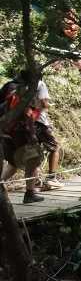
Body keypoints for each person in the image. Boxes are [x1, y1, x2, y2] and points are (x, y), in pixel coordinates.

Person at [0, 71, 46, 204]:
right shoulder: (24, 91)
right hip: (21, 131)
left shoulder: (10, 87)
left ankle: (1, 185)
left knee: (13, 163)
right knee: (33, 161)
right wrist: (32, 135)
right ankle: (30, 193)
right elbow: (27, 114)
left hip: (6, 131)